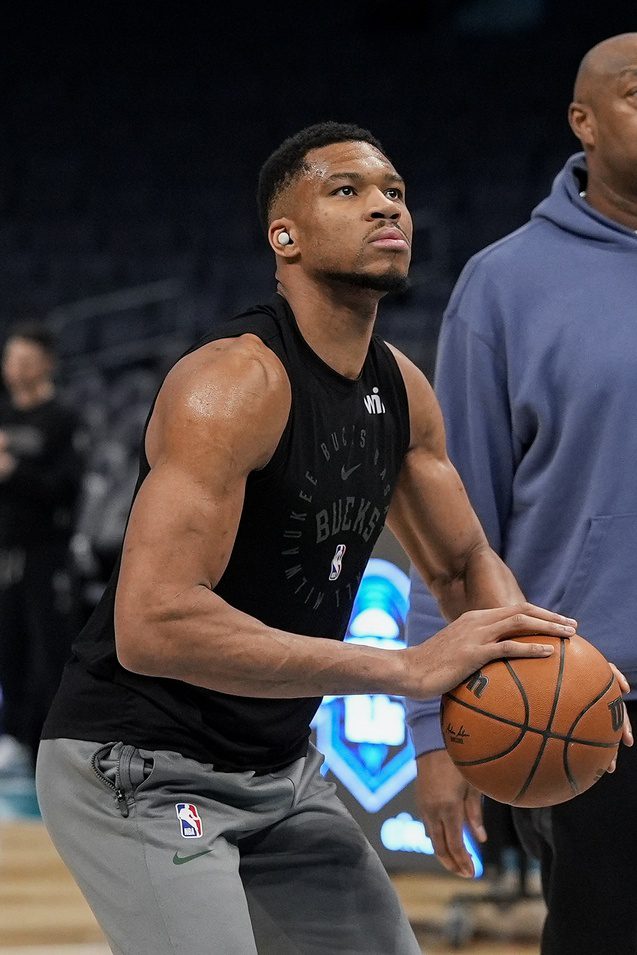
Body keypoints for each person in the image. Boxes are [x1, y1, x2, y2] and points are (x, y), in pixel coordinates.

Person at [36, 121, 607, 955]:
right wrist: (406, 670)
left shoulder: (401, 389)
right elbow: (153, 624)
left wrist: (555, 672)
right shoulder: (230, 384)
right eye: (348, 189)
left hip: (279, 771)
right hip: (141, 766)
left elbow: (460, 563)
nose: (385, 206)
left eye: (395, 192)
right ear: (284, 235)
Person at [405, 32, 637, 955]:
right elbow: (446, 529)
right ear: (582, 122)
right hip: (593, 705)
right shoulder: (504, 285)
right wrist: (434, 729)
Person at [0, 322, 87, 774]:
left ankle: (51, 744)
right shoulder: (4, 416)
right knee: (9, 647)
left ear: (45, 365)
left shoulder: (62, 420)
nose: (15, 369)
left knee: (48, 651)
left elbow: (67, 490)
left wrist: (13, 470)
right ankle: (14, 737)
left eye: (25, 360)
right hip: (6, 554)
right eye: (11, 359)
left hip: (47, 554)